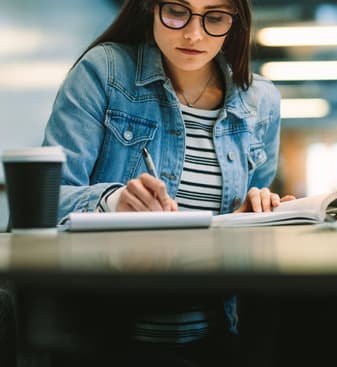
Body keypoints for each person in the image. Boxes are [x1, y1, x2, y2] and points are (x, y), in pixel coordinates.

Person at [42, 0, 293, 365]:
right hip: (105, 336)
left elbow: (248, 235)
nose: (194, 34)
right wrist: (113, 202)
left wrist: (252, 216)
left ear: (234, 22)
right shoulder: (105, 71)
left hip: (215, 338)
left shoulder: (261, 101)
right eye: (177, 11)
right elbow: (46, 201)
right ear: (150, 8)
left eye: (215, 17)